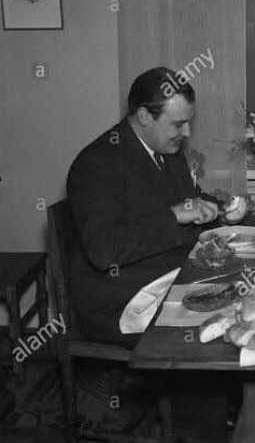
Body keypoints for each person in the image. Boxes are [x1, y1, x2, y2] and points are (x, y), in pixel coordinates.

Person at [67, 67, 221, 349]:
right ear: (143, 116)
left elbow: (188, 202)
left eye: (188, 123)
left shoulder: (167, 150)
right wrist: (174, 215)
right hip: (119, 299)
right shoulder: (96, 163)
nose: (186, 132)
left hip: (166, 277)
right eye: (178, 124)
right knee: (218, 328)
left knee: (239, 299)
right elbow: (104, 251)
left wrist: (217, 209)